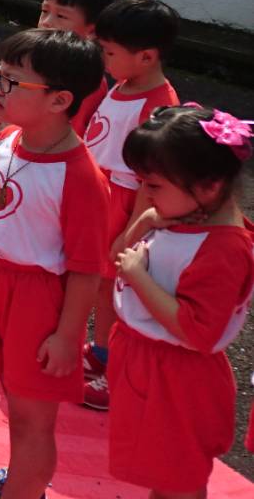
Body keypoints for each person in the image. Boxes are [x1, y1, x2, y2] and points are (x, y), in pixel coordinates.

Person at [0, 30, 111, 499]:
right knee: (13, 405)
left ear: (60, 100)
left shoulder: (81, 176)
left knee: (34, 418)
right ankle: (23, 480)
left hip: (38, 300)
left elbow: (87, 269)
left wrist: (67, 336)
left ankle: (24, 487)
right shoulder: (5, 139)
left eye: (10, 82)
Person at [107, 106, 253, 499]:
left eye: (153, 185)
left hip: (178, 381)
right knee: (165, 474)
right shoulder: (181, 217)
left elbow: (199, 331)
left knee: (180, 480)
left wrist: (139, 277)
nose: (144, 194)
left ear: (208, 186)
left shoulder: (224, 249)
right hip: (153, 366)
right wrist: (141, 224)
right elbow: (118, 258)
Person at [79, 0, 181, 409]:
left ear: (146, 56)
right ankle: (103, 351)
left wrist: (131, 229)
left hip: (123, 202)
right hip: (101, 193)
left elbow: (149, 177)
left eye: (109, 52)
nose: (103, 58)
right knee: (100, 283)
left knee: (116, 286)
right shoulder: (124, 83)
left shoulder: (158, 104)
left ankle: (115, 368)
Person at [36, 0, 123, 137]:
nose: (46, 21)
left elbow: (68, 134)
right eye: (44, 10)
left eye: (61, 16)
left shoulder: (87, 81)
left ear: (92, 30)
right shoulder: (31, 58)